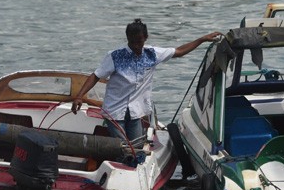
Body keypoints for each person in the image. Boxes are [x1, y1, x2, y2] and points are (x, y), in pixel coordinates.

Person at [71, 19, 221, 144]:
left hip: (137, 111)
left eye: (139, 41)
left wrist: (202, 39)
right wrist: (79, 96)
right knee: (122, 146)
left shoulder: (152, 54)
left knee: (137, 144)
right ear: (127, 39)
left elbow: (179, 51)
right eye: (132, 42)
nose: (136, 46)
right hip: (115, 110)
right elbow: (95, 76)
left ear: (146, 37)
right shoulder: (115, 56)